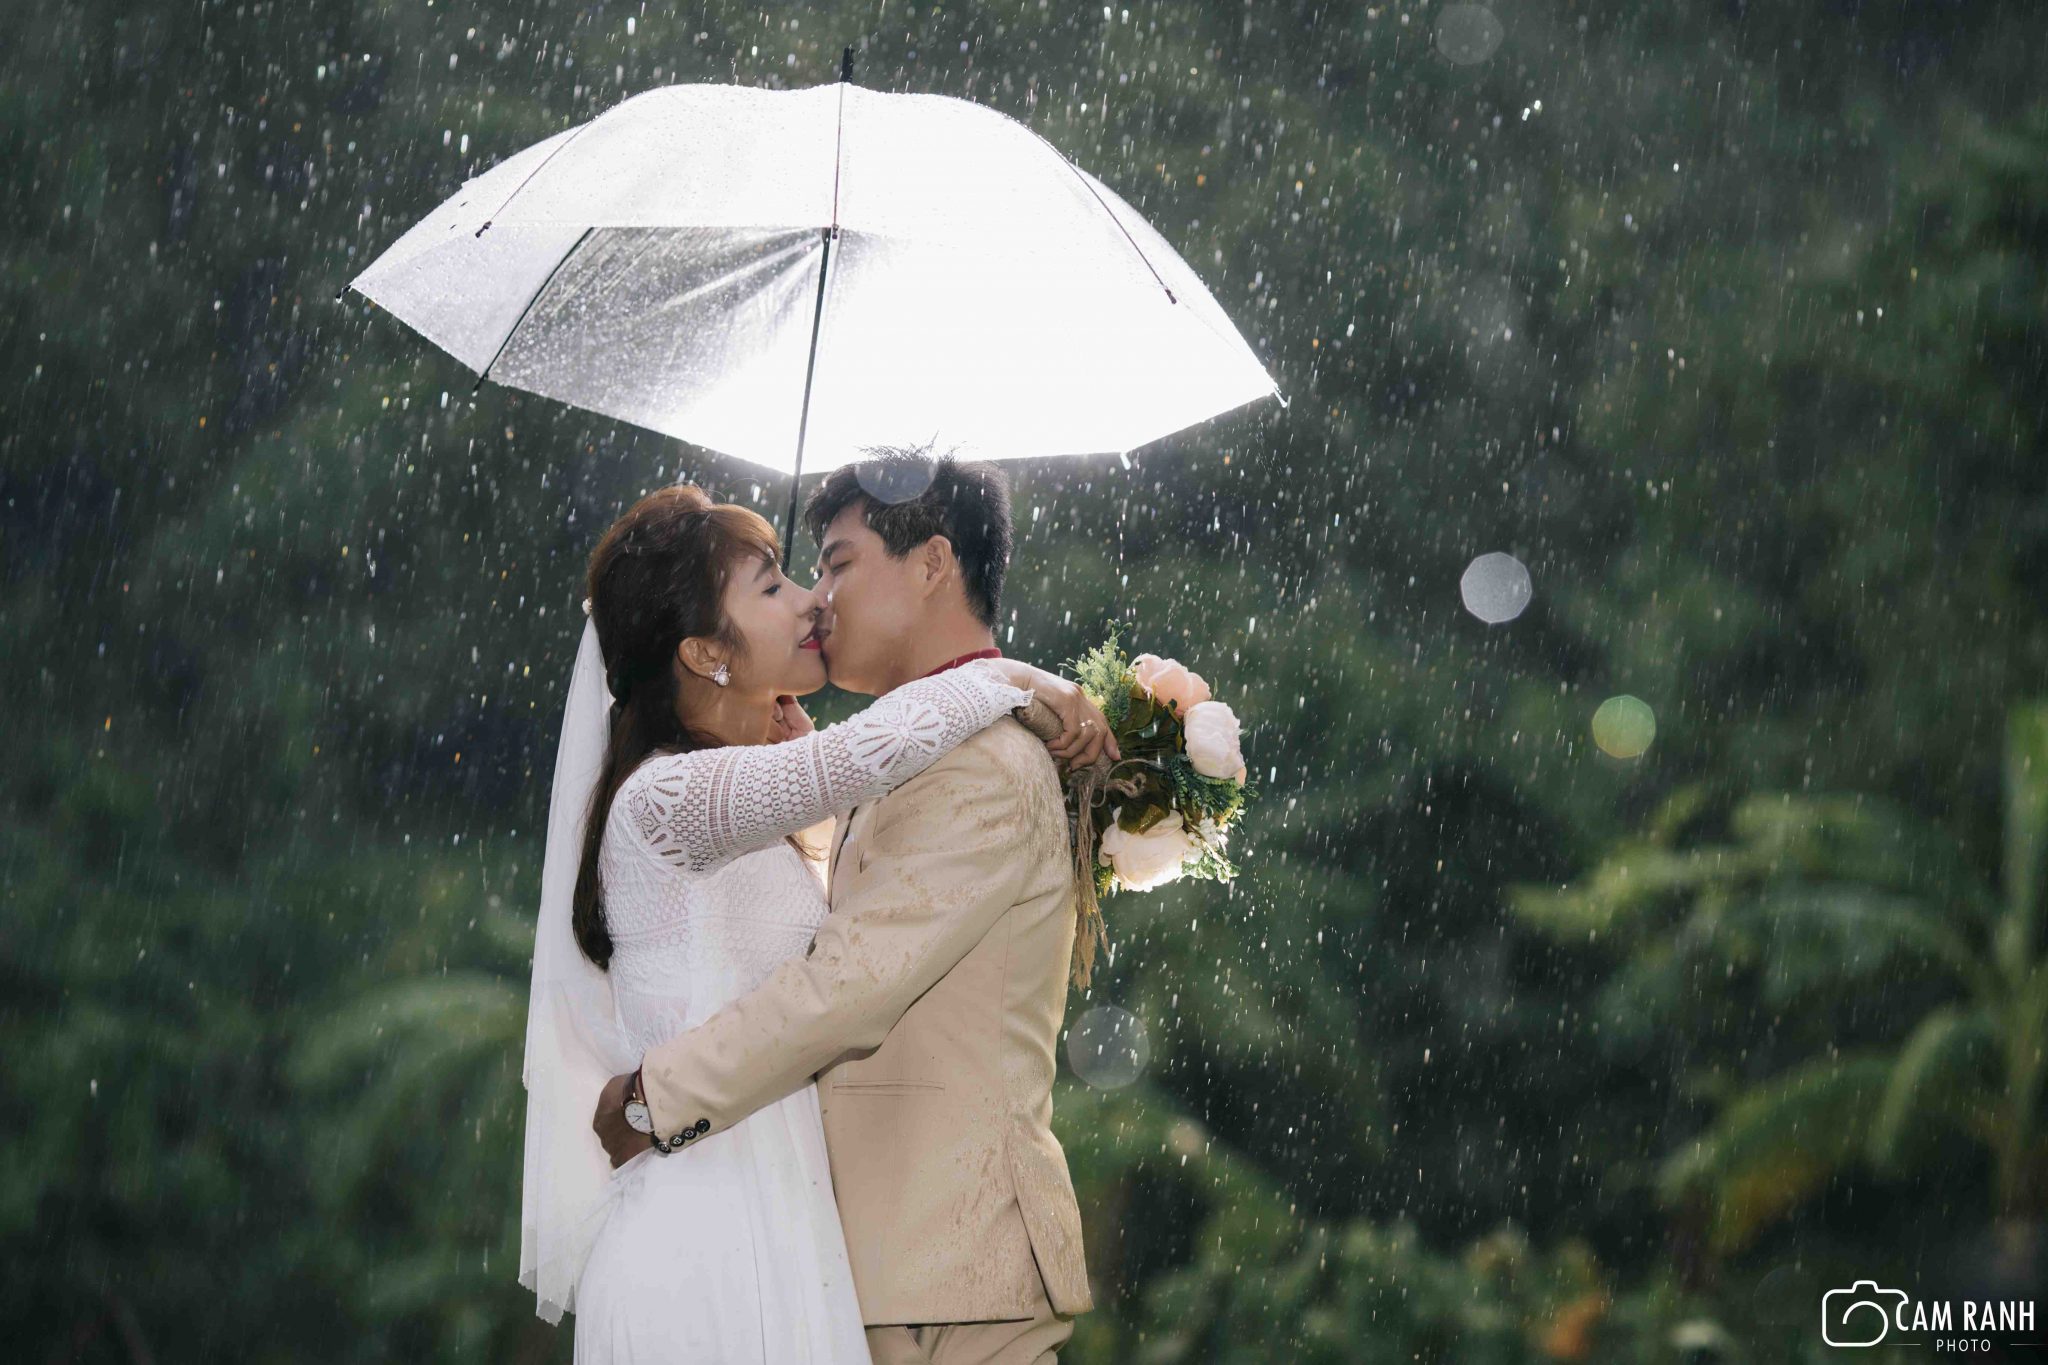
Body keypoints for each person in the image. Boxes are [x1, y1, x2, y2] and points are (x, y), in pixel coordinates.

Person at [519, 469, 1111, 1363]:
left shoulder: (970, 764)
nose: (815, 599)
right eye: (780, 584)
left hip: (876, 1251)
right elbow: (856, 773)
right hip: (725, 1233)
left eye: (833, 565)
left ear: (931, 565)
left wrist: (658, 1097)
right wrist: (1018, 681)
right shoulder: (674, 796)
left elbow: (846, 963)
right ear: (705, 651)